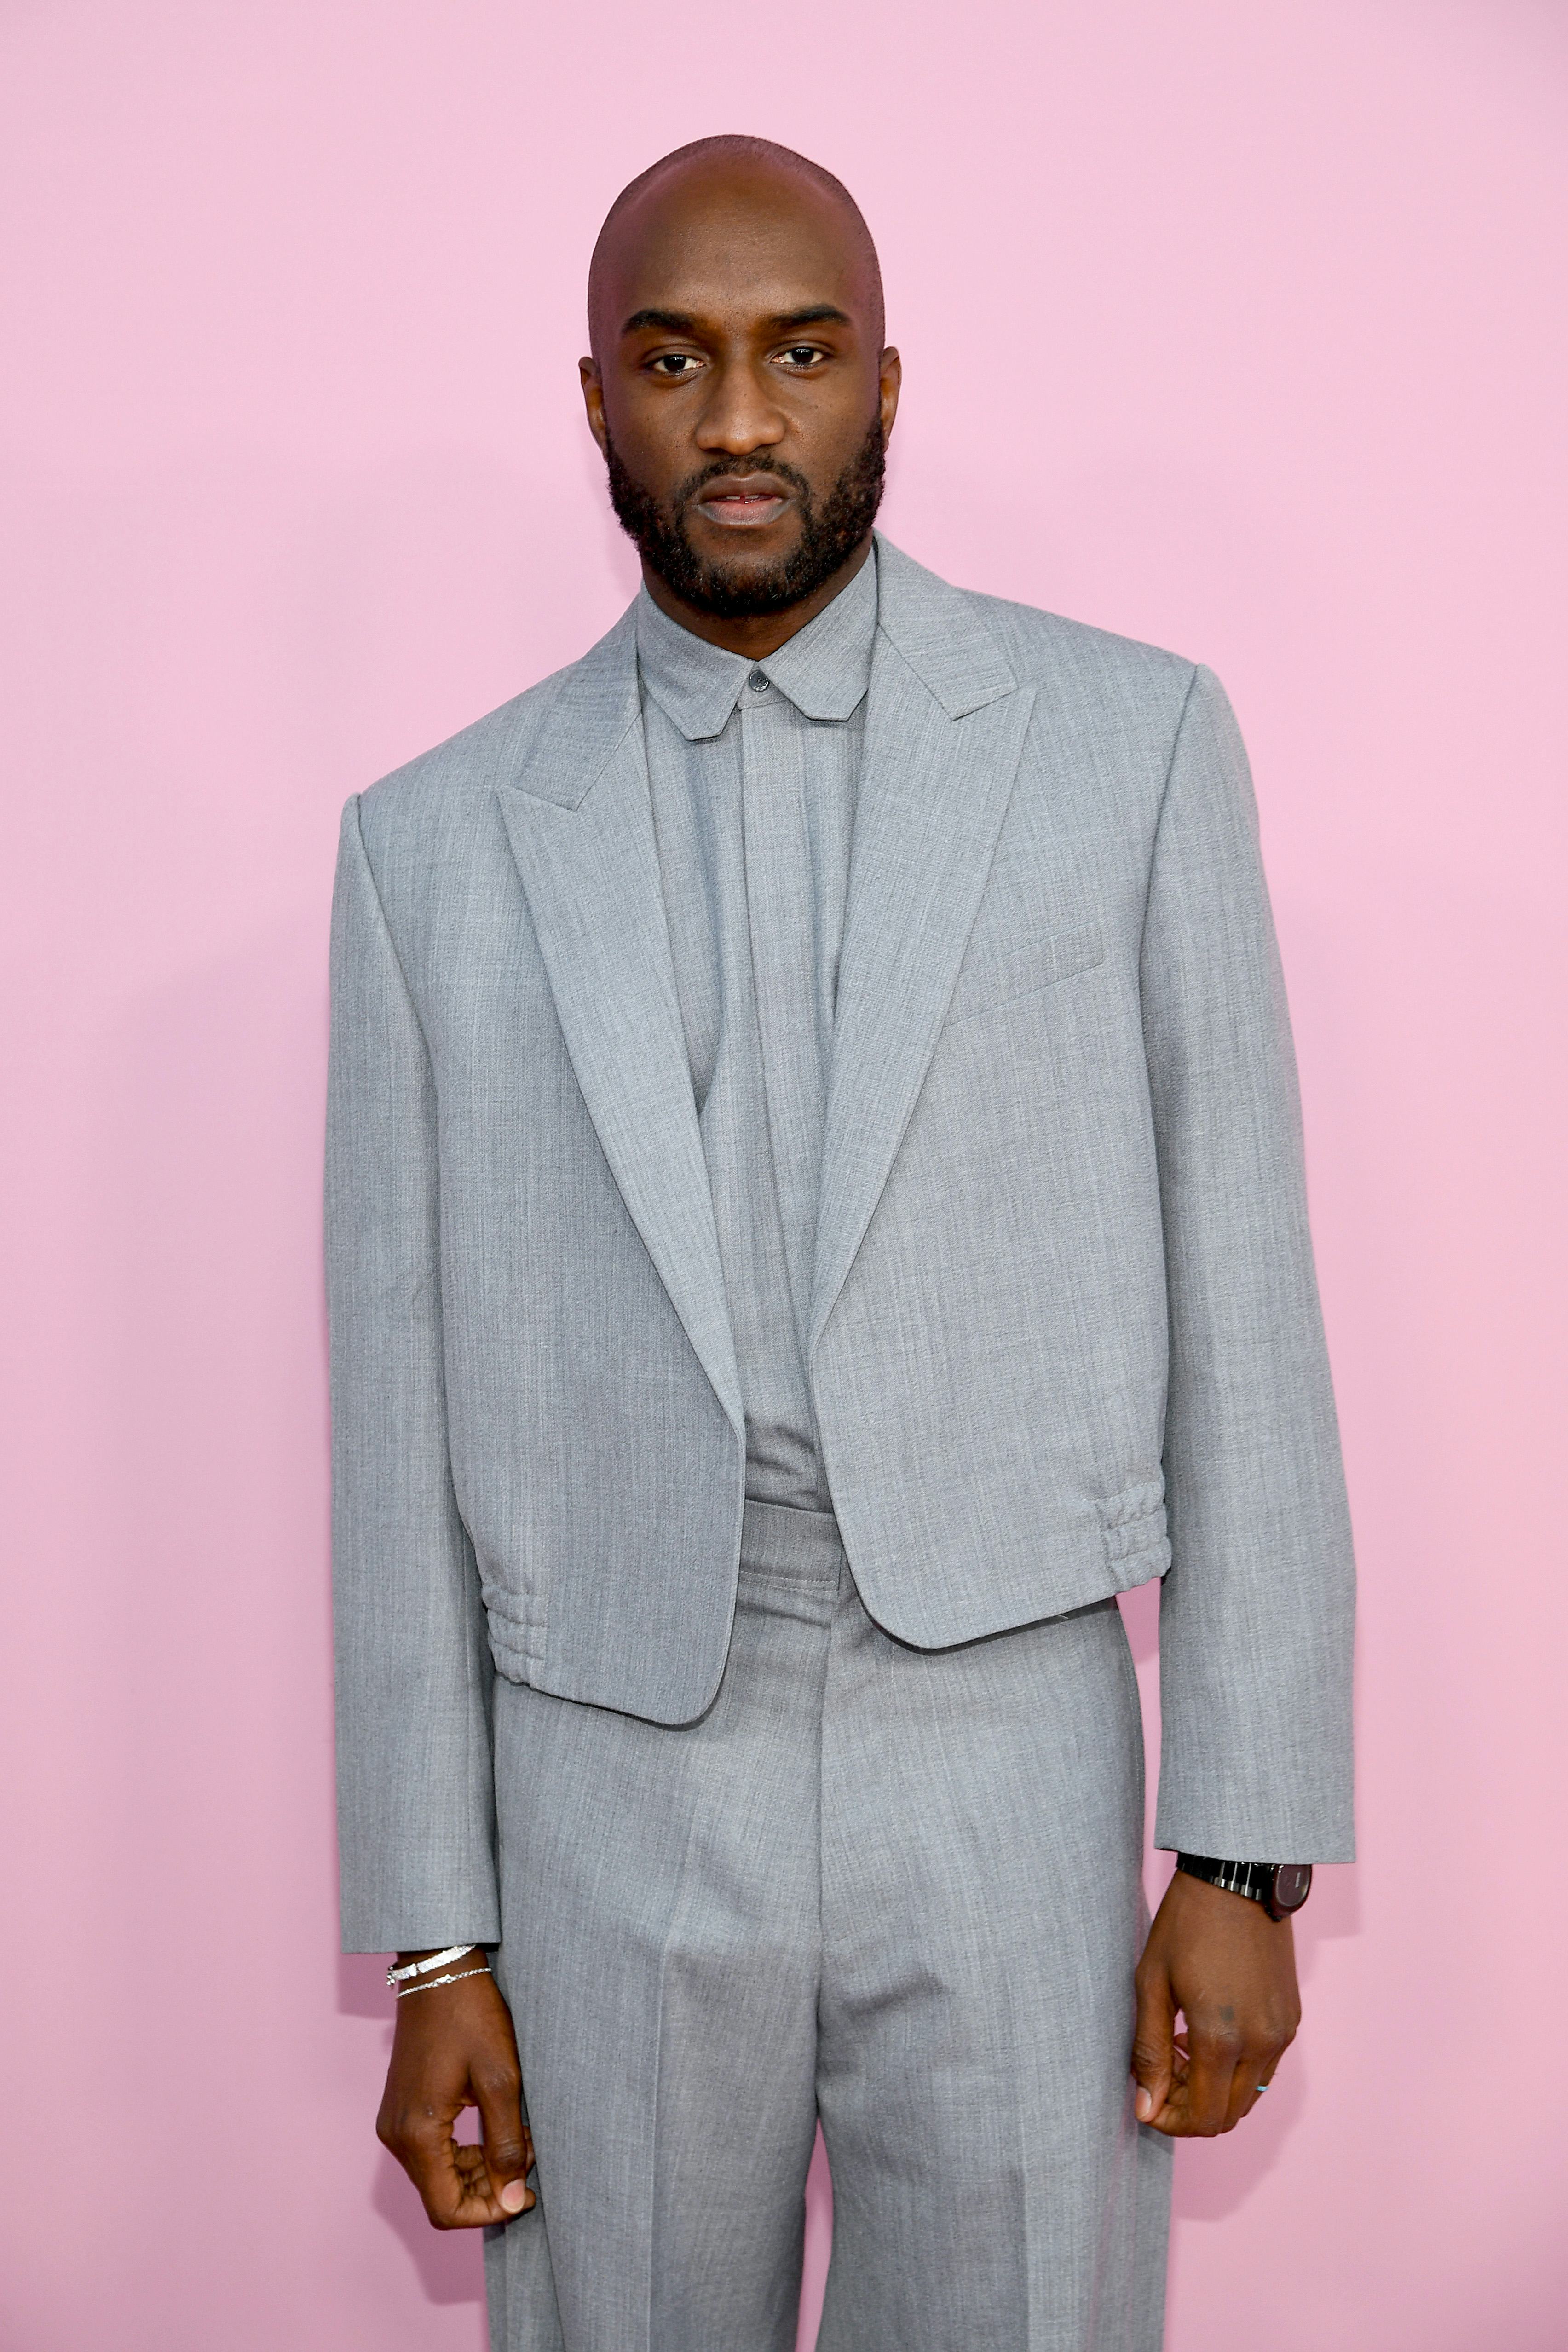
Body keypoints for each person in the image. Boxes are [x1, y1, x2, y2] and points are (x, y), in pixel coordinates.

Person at [326, 134, 1355, 2352]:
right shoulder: (430, 851)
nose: (737, 422)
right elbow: (391, 1425)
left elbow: (1249, 1311)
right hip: (605, 1770)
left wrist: (1248, 1858)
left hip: (1006, 1734)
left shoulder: (1132, 749)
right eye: (672, 361)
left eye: (797, 356)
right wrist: (436, 1944)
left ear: (887, 381)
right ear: (591, 397)